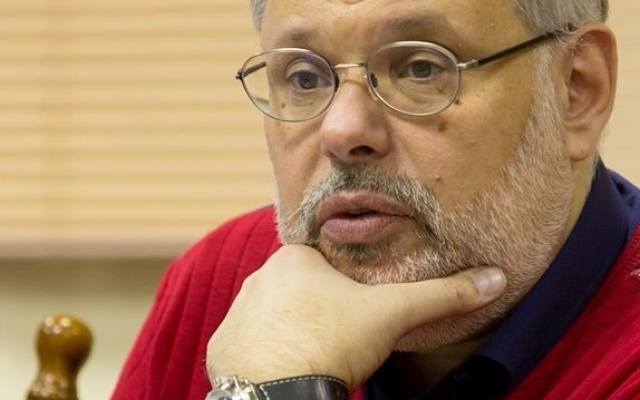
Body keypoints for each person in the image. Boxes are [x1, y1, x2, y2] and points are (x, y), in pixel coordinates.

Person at [112, 0, 640, 399]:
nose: (342, 131)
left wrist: (281, 393)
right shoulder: (222, 278)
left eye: (421, 68)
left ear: (577, 90)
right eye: (304, 76)